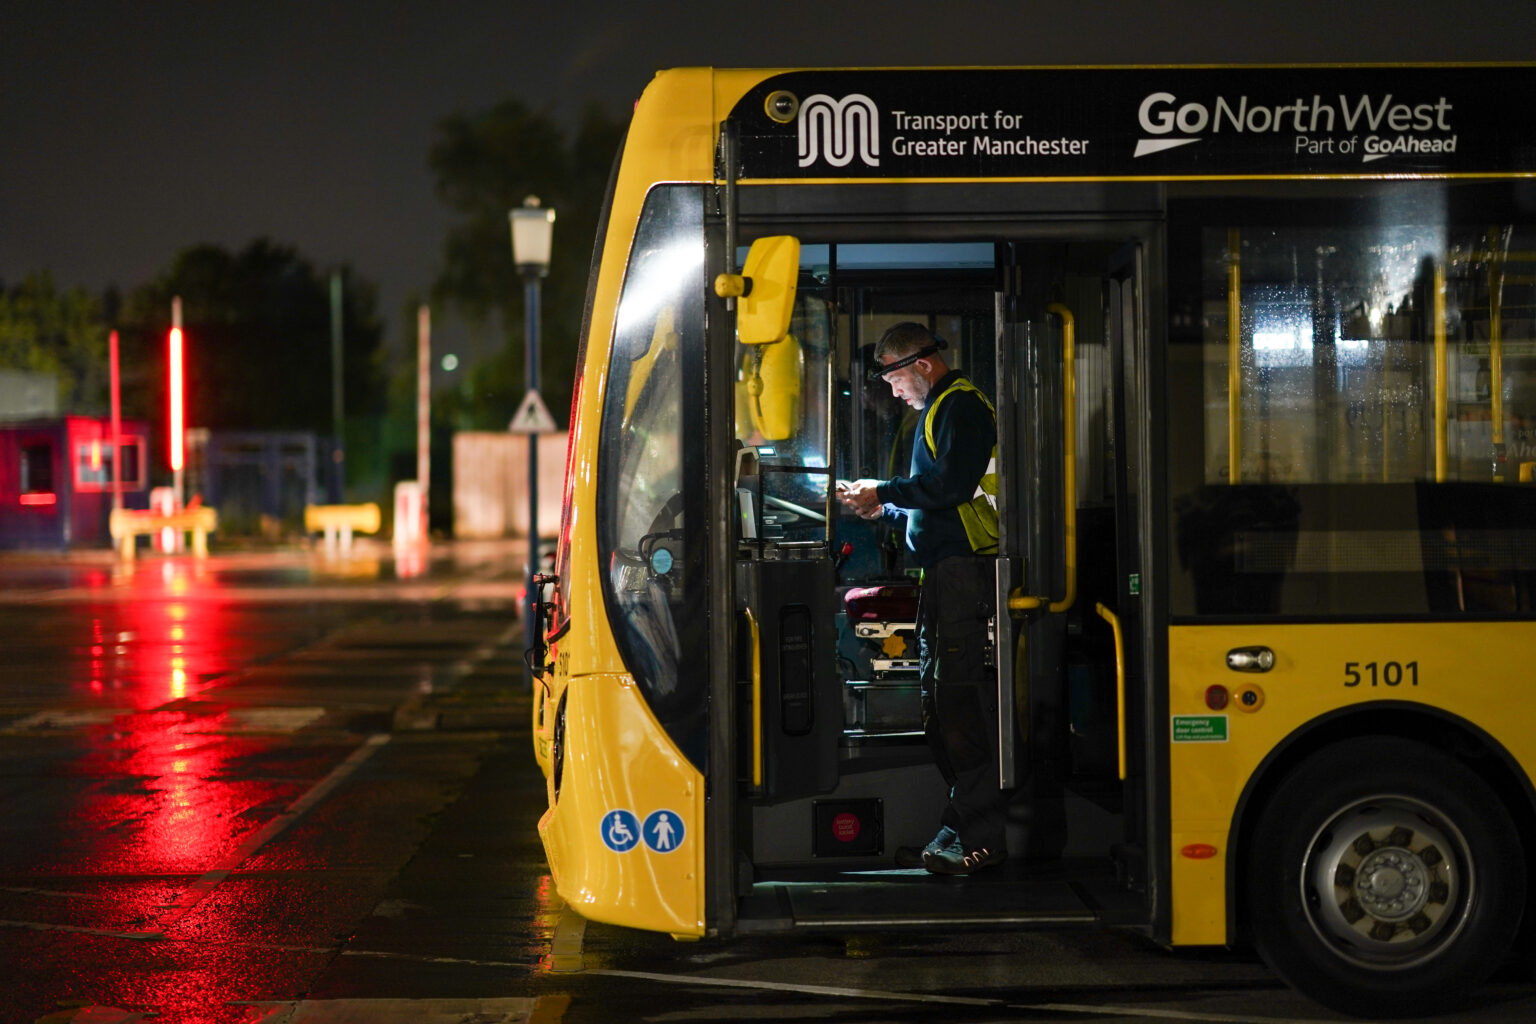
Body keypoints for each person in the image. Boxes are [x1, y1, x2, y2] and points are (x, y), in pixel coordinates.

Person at [837, 322, 1007, 875]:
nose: (891, 391)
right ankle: (958, 827)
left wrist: (883, 490)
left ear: (923, 364)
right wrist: (881, 506)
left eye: (892, 377)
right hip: (947, 575)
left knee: (961, 707)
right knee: (943, 709)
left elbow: (950, 488)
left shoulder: (960, 407)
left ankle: (977, 838)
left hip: (967, 575)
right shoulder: (940, 410)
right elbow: (936, 497)